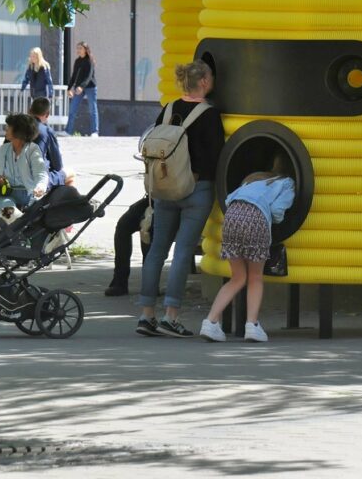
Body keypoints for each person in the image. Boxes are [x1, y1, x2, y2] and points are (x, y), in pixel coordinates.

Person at [136, 60, 224, 338]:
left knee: (157, 251)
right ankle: (171, 316)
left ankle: (146, 315)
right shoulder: (209, 115)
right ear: (204, 83)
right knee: (183, 251)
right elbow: (215, 157)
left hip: (164, 189)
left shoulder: (168, 109)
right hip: (196, 190)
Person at [200, 154, 295, 344]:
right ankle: (252, 326)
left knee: (237, 278)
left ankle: (210, 321)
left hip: (232, 217)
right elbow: (277, 211)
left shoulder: (255, 178)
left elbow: (228, 199)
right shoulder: (287, 183)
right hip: (256, 219)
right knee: (255, 278)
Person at [0, 113, 48, 211]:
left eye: (9, 127)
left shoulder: (33, 149)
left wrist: (40, 187)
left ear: (18, 131)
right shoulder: (3, 150)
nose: (6, 129)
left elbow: (41, 174)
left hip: (30, 195)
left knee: (37, 212)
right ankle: (17, 221)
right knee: (7, 211)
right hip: (7, 195)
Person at [105, 193, 153, 296]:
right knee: (123, 226)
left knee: (148, 232)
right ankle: (119, 282)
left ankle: (150, 284)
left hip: (170, 202)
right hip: (152, 200)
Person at [29, 97, 75, 190]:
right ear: (47, 115)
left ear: (29, 110)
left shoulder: (14, 128)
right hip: (37, 180)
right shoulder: (46, 131)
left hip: (12, 178)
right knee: (70, 173)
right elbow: (57, 165)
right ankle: (73, 203)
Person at [66, 41, 99, 136]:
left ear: (85, 50)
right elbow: (74, 76)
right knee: (72, 109)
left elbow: (88, 77)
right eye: (77, 48)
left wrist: (81, 86)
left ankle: (95, 131)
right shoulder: (77, 61)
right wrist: (69, 88)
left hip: (90, 87)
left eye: (80, 48)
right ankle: (68, 131)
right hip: (79, 88)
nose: (78, 50)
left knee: (92, 109)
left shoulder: (89, 61)